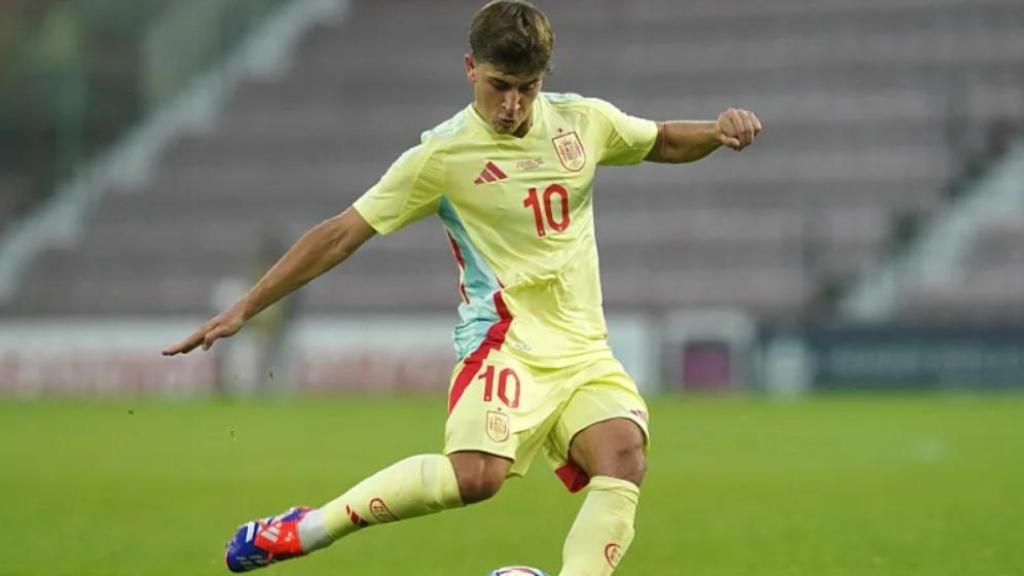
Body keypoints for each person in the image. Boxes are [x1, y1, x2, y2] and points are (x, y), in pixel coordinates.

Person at [162, 1, 762, 574]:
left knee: (623, 456)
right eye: (499, 85)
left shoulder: (583, 121)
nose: (512, 104)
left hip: (582, 348)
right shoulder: (442, 155)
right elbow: (343, 233)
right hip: (503, 341)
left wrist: (717, 130)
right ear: (470, 69)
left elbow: (659, 140)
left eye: (526, 87)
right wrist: (246, 305)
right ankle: (305, 529)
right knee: (477, 478)